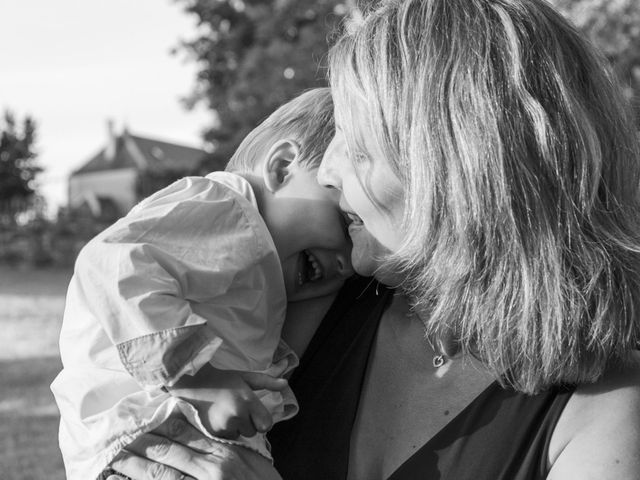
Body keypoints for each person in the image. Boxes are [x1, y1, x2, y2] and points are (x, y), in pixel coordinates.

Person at [104, 0, 640, 479]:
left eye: (356, 145)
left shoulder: (609, 409)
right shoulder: (317, 300)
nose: (329, 171)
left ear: (459, 172)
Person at [51, 88, 354, 480]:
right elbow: (110, 263)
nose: (349, 263)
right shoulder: (226, 207)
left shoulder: (263, 259)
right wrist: (202, 380)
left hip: (172, 440)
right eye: (345, 223)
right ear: (282, 166)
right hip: (146, 433)